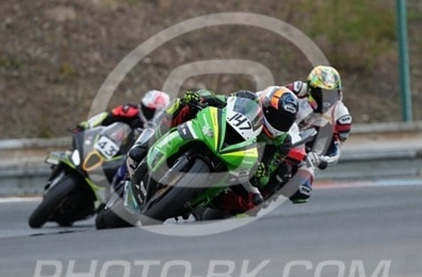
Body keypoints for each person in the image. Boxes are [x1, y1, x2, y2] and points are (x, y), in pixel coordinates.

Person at [125, 86, 300, 216]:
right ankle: (146, 146)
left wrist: (260, 172)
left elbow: (267, 172)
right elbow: (221, 100)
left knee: (251, 204)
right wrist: (200, 98)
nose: (279, 123)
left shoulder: (282, 142)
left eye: (285, 121)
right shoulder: (248, 99)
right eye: (277, 116)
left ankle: (200, 204)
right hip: (218, 132)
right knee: (182, 105)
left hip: (240, 160)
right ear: (266, 107)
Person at [283, 65, 352, 203]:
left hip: (305, 149)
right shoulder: (296, 89)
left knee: (301, 192)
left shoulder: (342, 117)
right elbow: (271, 96)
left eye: (331, 94)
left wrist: (320, 159)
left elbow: (337, 149)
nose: (326, 99)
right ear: (311, 89)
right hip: (280, 131)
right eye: (322, 93)